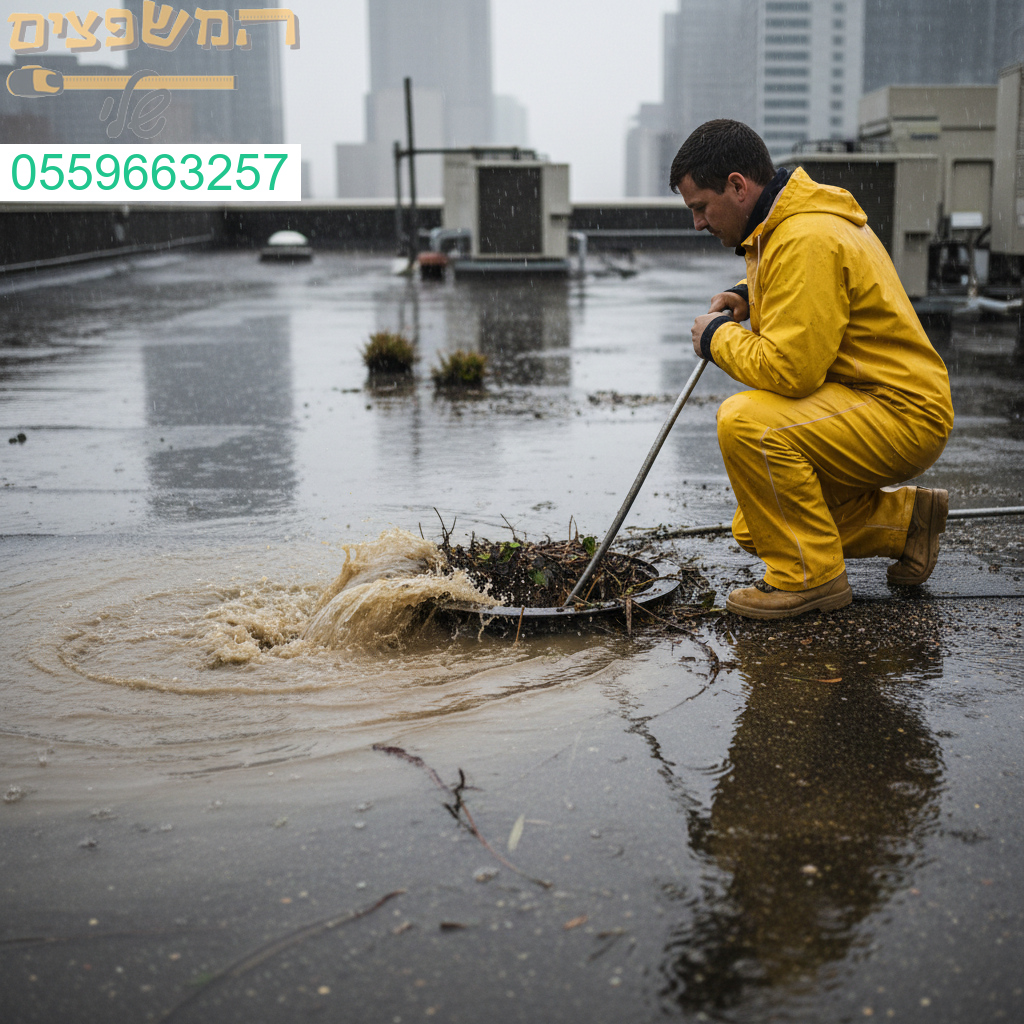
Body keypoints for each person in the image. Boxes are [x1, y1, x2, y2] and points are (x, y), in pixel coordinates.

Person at [670, 120, 954, 619]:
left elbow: (790, 370)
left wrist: (716, 340)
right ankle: (907, 522)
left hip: (899, 412)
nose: (697, 224)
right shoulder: (787, 225)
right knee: (758, 524)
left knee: (745, 421)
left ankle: (809, 578)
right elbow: (803, 293)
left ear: (737, 186)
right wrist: (746, 295)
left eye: (700, 207)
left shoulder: (805, 237)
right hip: (875, 401)